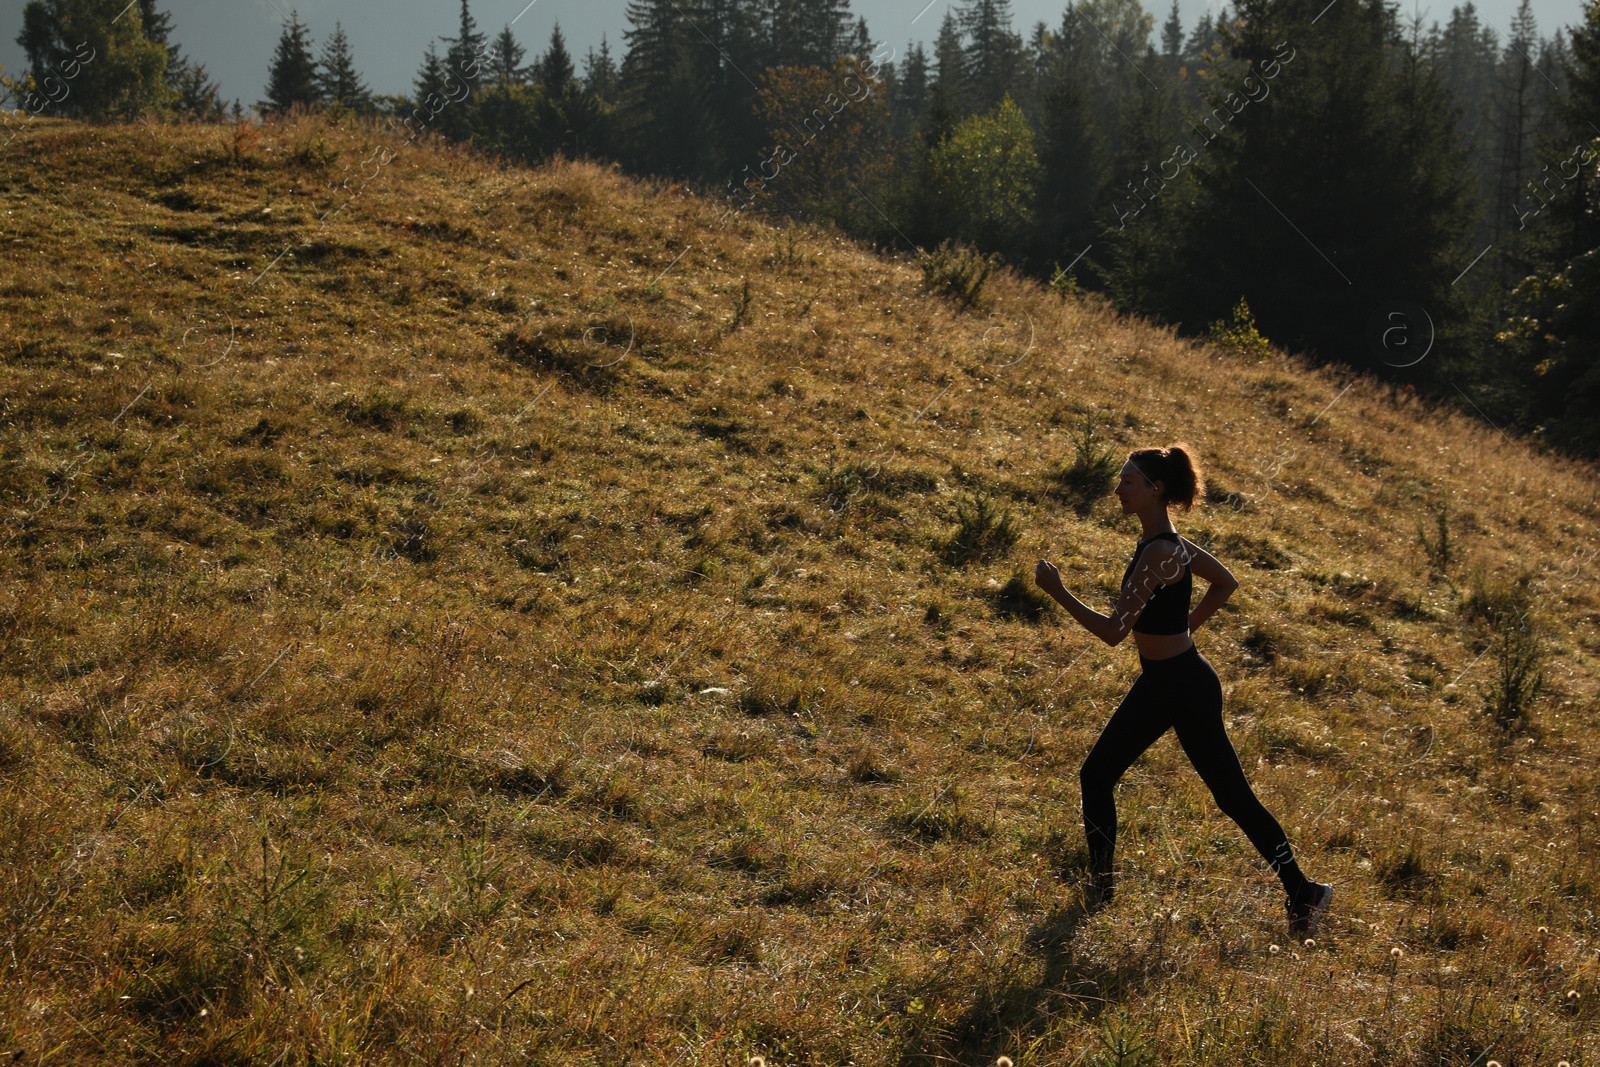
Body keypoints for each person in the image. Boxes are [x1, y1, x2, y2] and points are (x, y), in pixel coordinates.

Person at [1033, 443, 1333, 938]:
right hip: (1164, 681)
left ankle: (1304, 892)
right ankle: (1102, 889)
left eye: (1128, 482)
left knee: (1232, 797)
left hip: (1185, 687)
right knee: (1097, 774)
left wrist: (1057, 592)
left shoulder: (1161, 553)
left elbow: (1113, 633)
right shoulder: (1173, 545)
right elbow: (1226, 582)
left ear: (1156, 489)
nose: (1119, 490)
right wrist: (1184, 631)